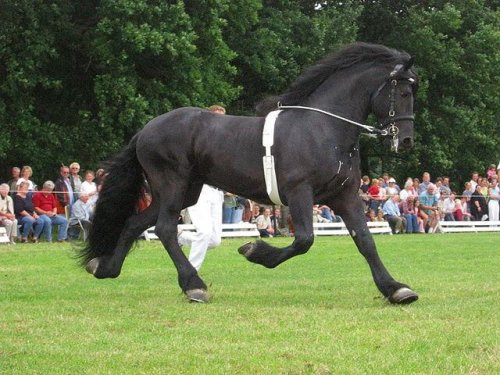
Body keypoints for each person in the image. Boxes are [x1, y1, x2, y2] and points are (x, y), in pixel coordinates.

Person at [177, 105, 226, 271]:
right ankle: (191, 273)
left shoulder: (226, 142)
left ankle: (181, 237)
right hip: (200, 190)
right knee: (204, 233)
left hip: (217, 192)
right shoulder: (198, 141)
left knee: (215, 241)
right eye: (217, 117)